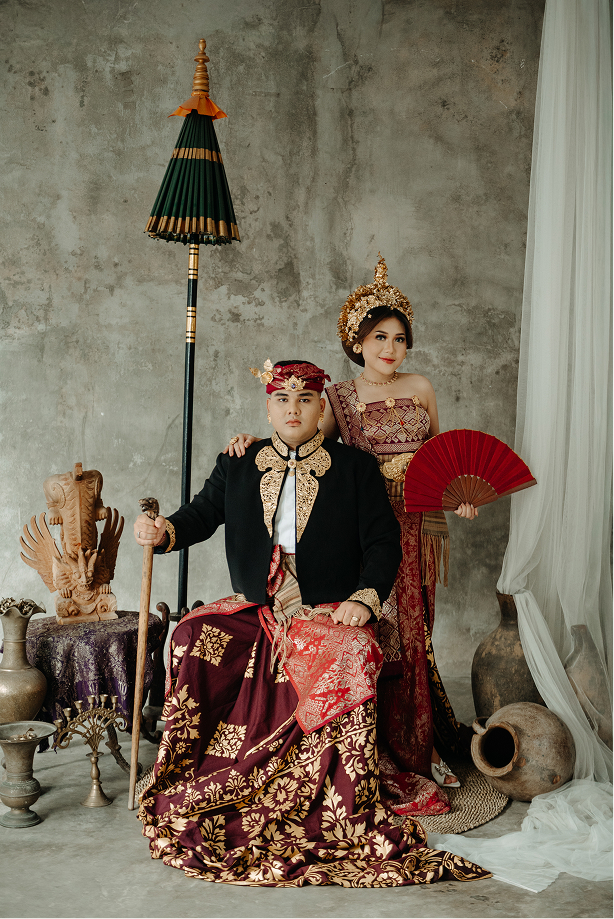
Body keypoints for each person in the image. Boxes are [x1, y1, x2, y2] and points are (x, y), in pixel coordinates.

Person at [133, 359, 488, 887]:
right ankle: (201, 766)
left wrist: (365, 599)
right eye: (282, 400)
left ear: (322, 407)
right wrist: (162, 530)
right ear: (268, 408)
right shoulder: (239, 462)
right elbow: (199, 516)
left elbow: (383, 543)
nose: (293, 409)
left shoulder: (354, 467)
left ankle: (327, 789)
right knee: (191, 635)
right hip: (259, 606)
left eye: (304, 400)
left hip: (326, 607)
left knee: (352, 651)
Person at [226, 257, 477, 817]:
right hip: (367, 528)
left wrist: (458, 494)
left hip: (417, 524)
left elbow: (439, 456)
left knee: (415, 637)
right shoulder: (336, 396)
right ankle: (370, 748)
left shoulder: (422, 387)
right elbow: (302, 442)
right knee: (379, 636)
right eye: (379, 337)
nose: (390, 348)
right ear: (357, 342)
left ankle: (419, 748)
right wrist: (249, 441)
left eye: (399, 339)